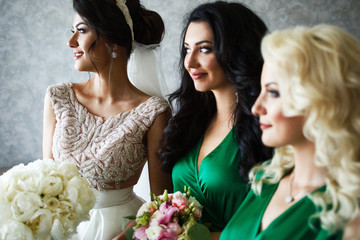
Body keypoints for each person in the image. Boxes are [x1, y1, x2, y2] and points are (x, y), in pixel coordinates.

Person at [42, 0, 172, 239]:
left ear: (112, 38)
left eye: (81, 31)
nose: (70, 42)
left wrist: (128, 234)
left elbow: (163, 203)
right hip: (62, 228)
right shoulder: (57, 97)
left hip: (121, 229)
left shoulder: (153, 112)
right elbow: (45, 180)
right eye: (72, 32)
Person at [220, 24, 360, 240]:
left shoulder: (348, 212)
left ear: (319, 100)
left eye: (274, 92)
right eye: (262, 90)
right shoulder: (265, 181)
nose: (257, 108)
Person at [159, 1, 273, 238]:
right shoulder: (188, 124)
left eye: (204, 49)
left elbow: (274, 222)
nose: (189, 63)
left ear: (236, 51)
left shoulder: (267, 126)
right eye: (186, 49)